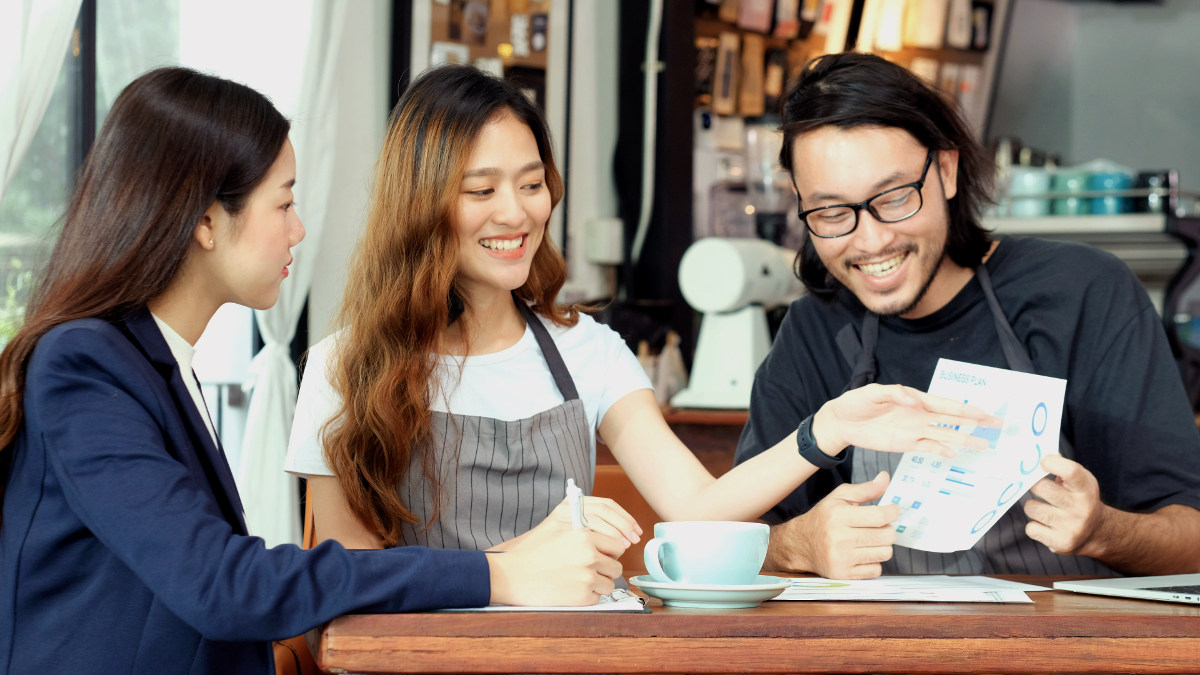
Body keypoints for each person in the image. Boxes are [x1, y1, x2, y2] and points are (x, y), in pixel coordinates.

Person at [0, 67, 628, 675]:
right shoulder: (84, 364)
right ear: (205, 221)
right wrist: (500, 574)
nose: (299, 229)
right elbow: (224, 585)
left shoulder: (155, 360)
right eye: (285, 202)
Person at [283, 64, 995, 560]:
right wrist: (523, 559)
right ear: (423, 202)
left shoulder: (585, 350)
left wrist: (827, 429)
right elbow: (346, 571)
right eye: (482, 189)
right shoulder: (343, 368)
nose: (517, 212)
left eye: (532, 183)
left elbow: (697, 507)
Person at [734, 51, 1200, 580]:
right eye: (833, 212)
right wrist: (800, 544)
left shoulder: (1081, 293)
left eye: (893, 198)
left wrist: (1102, 530)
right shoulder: (812, 334)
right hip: (887, 657)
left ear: (947, 172)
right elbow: (728, 537)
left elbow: (1192, 540)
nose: (871, 240)